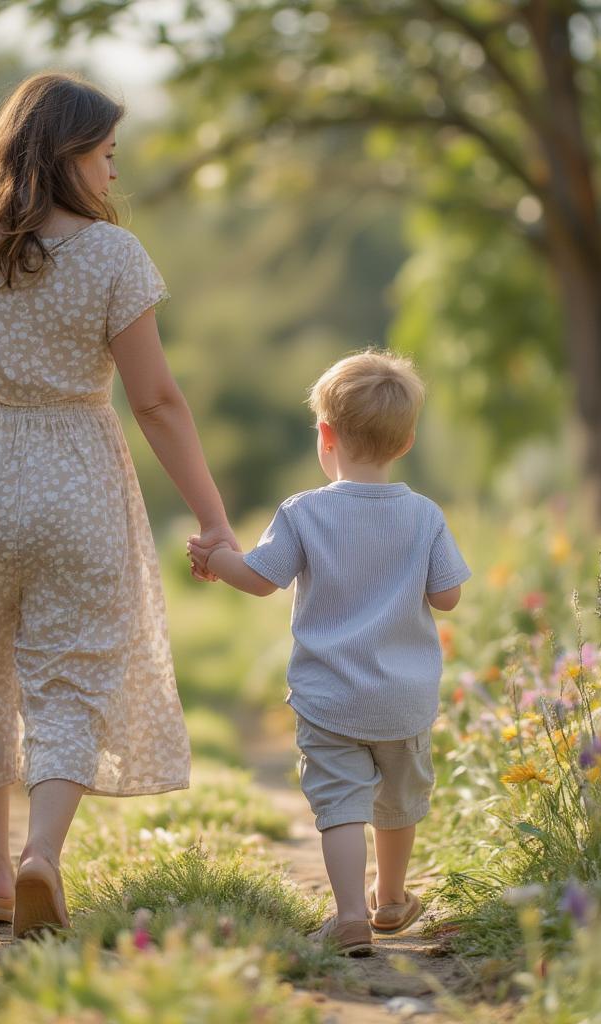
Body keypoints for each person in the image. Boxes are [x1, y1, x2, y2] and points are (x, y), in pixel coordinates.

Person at [0, 71, 235, 939]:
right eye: (107, 156)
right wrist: (213, 516)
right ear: (67, 154)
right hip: (76, 482)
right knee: (68, 682)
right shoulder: (114, 257)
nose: (114, 175)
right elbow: (156, 401)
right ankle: (44, 853)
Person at [188, 348, 471, 956]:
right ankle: (390, 898)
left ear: (326, 435)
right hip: (404, 696)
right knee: (397, 801)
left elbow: (262, 578)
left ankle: (348, 915)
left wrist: (216, 560)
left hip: (329, 696)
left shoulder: (302, 511)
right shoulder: (424, 515)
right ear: (407, 441)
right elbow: (447, 597)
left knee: (340, 803)